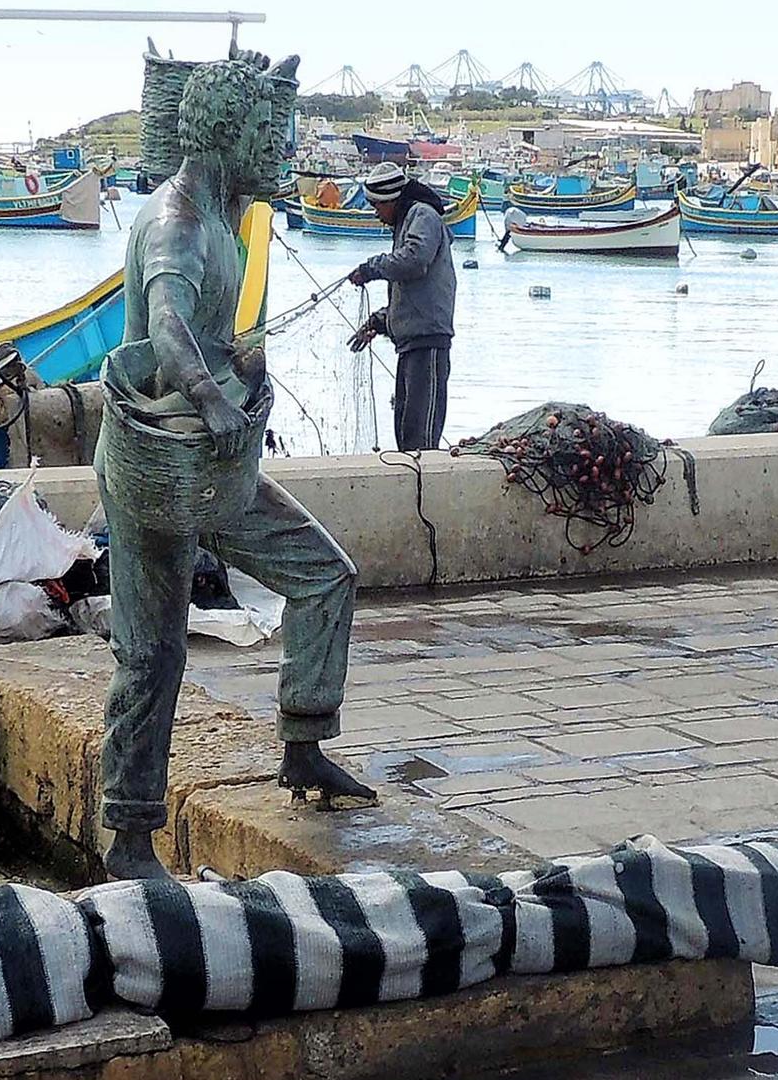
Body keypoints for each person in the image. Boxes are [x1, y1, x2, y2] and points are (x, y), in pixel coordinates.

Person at [96, 52, 375, 882]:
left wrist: (238, 366)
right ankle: (129, 837)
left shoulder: (226, 211)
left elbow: (204, 332)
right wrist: (215, 400)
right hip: (170, 458)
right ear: (226, 134)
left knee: (320, 578)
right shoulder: (179, 222)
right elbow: (169, 324)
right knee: (153, 654)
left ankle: (302, 746)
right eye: (265, 132)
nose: (278, 147)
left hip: (206, 466)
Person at [347, 161, 457, 451]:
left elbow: (414, 261)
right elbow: (412, 297)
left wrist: (371, 268)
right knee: (406, 433)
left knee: (420, 440)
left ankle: (425, 494)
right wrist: (379, 322)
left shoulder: (423, 215)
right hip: (409, 345)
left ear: (391, 200)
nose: (376, 213)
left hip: (427, 344)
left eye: (377, 206)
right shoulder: (406, 222)